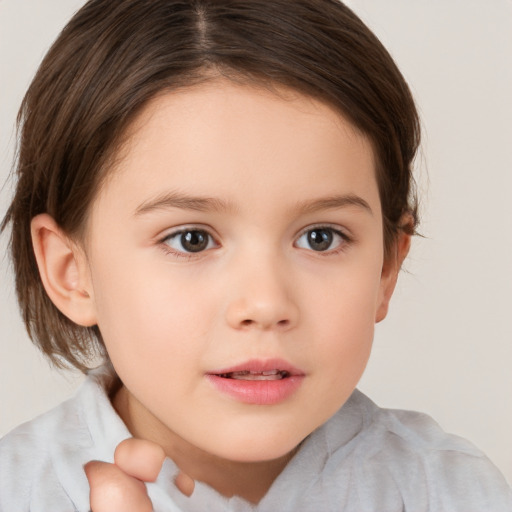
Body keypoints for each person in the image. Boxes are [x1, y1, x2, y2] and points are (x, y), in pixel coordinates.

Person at [0, 0, 510, 510]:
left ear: (385, 268)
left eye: (321, 237)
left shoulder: (452, 494)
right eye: (191, 239)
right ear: (72, 272)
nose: (265, 304)